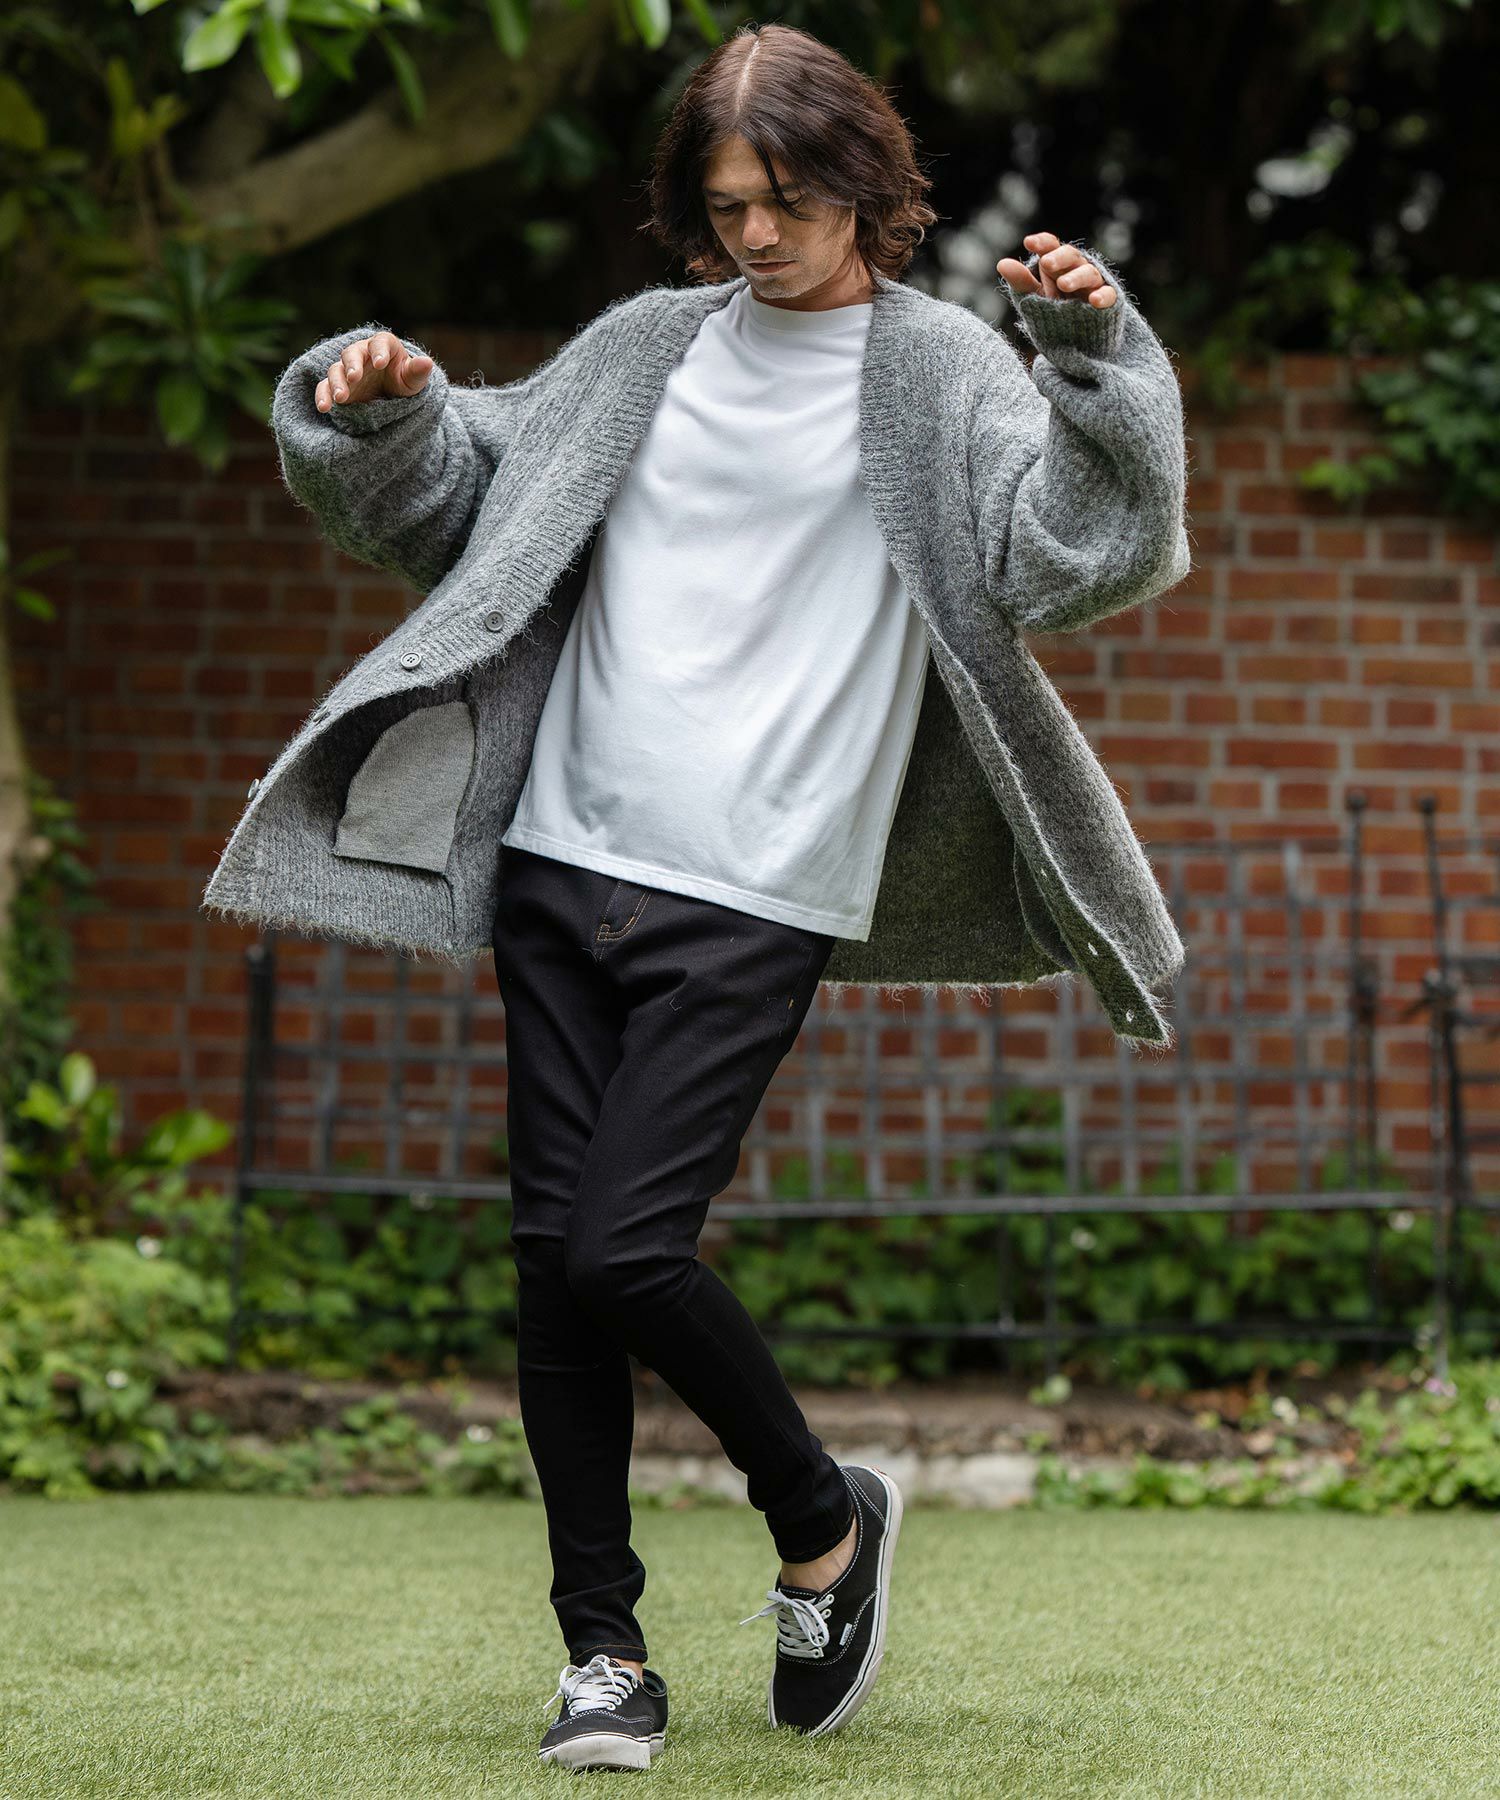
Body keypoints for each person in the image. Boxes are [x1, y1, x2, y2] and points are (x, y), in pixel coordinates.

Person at [212, 18, 1192, 1777]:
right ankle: (603, 1653)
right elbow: (464, 506)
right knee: (551, 1268)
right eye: (729, 204)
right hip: (561, 856)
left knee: (624, 1247)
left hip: (761, 881)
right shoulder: (647, 348)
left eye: (790, 201)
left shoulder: (945, 373)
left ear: (867, 189)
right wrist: (386, 412)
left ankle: (823, 1520)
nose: (757, 235)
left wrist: (1098, 361)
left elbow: (1079, 557)